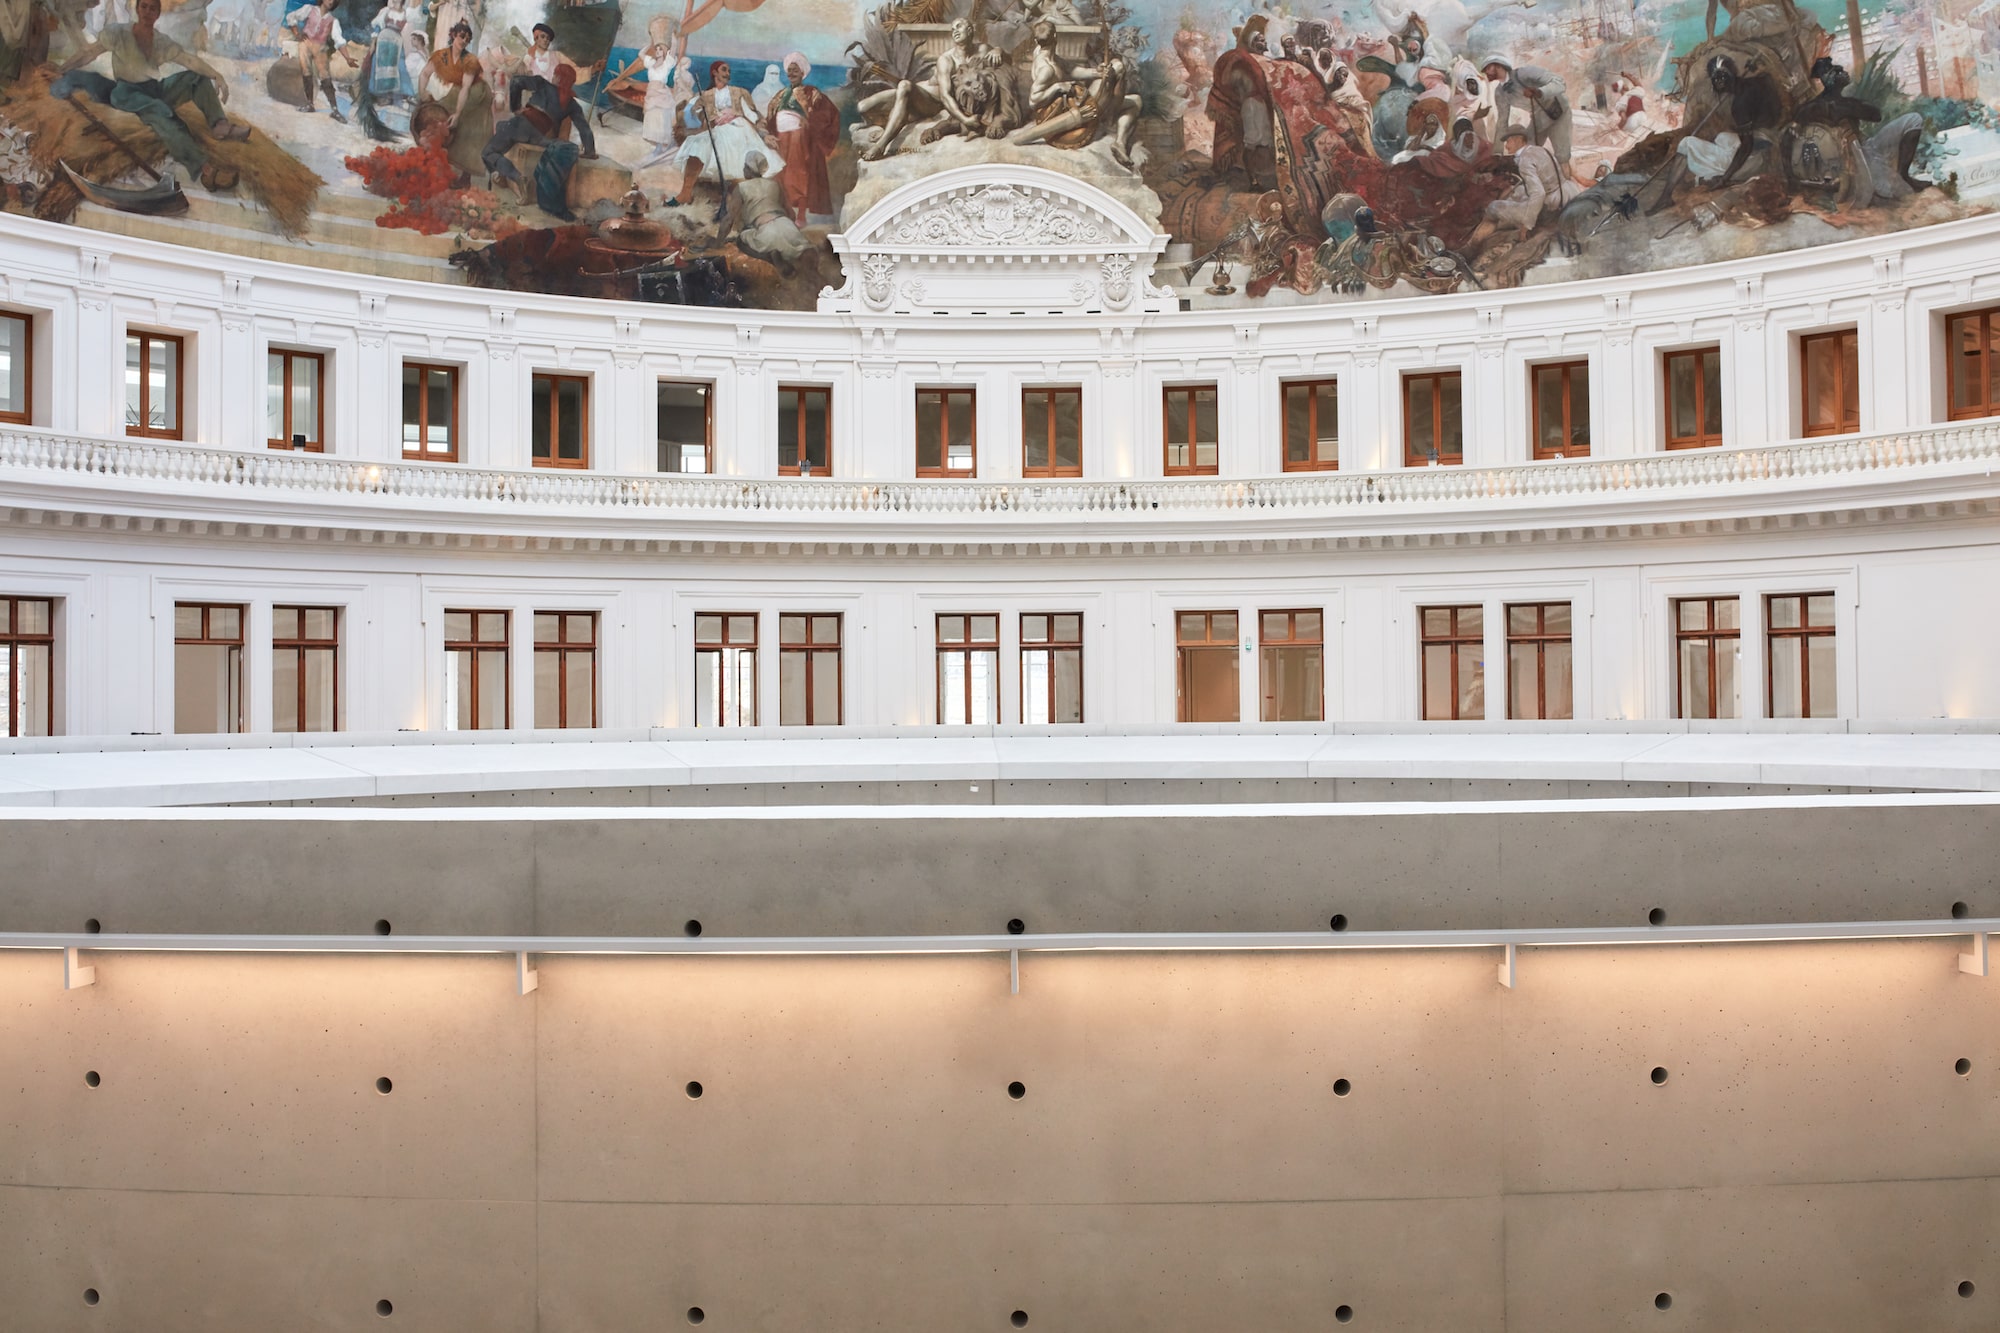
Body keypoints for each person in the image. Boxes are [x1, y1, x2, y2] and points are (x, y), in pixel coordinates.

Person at [54, 0, 250, 192]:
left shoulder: (160, 41)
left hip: (153, 89)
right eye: (144, 7)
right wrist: (62, 69)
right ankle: (204, 170)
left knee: (195, 79)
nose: (147, 12)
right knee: (162, 113)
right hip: (126, 92)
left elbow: (188, 60)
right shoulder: (119, 33)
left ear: (157, 14)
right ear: (137, 9)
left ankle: (219, 125)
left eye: (152, 8)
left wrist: (217, 75)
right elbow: (89, 52)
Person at [1009, 18, 1141, 165]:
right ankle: (1109, 119)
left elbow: (1071, 70)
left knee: (1136, 100)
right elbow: (1033, 101)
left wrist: (1096, 72)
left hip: (1072, 103)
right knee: (1118, 67)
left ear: (1036, 40)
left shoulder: (1041, 52)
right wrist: (1057, 87)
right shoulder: (1046, 68)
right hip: (1067, 114)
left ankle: (1119, 143)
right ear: (1055, 37)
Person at [856, 16, 979, 161]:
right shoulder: (946, 59)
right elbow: (946, 94)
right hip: (916, 92)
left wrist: (998, 51)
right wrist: (965, 120)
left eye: (958, 27)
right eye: (952, 29)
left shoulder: (981, 51)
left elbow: (944, 97)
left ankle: (880, 145)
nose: (954, 32)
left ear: (970, 30)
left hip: (930, 103)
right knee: (862, 107)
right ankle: (889, 124)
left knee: (904, 85)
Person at [483, 58, 595, 217]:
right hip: (540, 137)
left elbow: (516, 81)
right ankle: (500, 174)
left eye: (555, 75)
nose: (554, 78)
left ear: (556, 77)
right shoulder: (572, 104)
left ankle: (517, 178)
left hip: (522, 125)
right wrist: (590, 151)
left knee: (488, 152)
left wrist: (515, 108)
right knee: (502, 127)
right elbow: (584, 128)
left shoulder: (543, 84)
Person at [668, 59, 782, 206]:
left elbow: (754, 116)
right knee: (695, 144)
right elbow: (693, 118)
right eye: (724, 70)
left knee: (728, 149)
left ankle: (737, 201)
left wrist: (764, 134)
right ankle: (685, 194)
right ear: (714, 72)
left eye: (728, 71)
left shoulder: (739, 92)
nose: (727, 74)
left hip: (740, 129)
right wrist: (698, 112)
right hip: (715, 130)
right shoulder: (705, 95)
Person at [603, 14, 687, 169]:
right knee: (653, 120)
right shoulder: (650, 63)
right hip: (652, 93)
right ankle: (657, 148)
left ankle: (663, 146)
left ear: (665, 51)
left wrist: (674, 37)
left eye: (661, 49)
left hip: (661, 93)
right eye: (657, 49)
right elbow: (641, 54)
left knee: (662, 118)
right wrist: (651, 42)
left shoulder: (667, 64)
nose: (658, 50)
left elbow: (674, 50)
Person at [417, 19, 493, 180]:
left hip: (477, 93)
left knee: (466, 126)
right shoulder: (440, 55)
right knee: (439, 117)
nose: (464, 41)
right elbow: (424, 74)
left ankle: (465, 177)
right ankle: (432, 165)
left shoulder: (470, 60)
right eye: (462, 36)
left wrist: (458, 113)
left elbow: (467, 87)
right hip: (459, 91)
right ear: (453, 35)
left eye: (467, 39)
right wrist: (422, 92)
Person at [769, 52, 837, 225]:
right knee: (780, 174)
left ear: (802, 73)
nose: (791, 73)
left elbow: (827, 115)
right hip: (780, 137)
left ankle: (801, 215)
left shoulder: (811, 92)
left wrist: (805, 107)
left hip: (798, 138)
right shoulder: (780, 94)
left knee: (798, 174)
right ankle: (785, 212)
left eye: (795, 70)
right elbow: (770, 117)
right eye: (789, 70)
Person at [724, 149, 810, 267]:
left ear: (749, 169)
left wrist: (717, 242)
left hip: (765, 232)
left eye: (745, 166)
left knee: (740, 241)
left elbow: (729, 220)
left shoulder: (741, 187)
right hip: (787, 226)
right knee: (797, 248)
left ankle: (770, 257)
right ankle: (800, 256)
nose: (743, 170)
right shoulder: (774, 184)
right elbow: (791, 214)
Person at [1481, 56, 1569, 166]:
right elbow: (1502, 123)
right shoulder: (1499, 93)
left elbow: (1560, 83)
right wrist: (1497, 154)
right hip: (1538, 119)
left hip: (1558, 112)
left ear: (1498, 66)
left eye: (1487, 68)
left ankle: (1566, 180)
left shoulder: (1524, 73)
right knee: (1525, 152)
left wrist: (1540, 92)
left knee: (1563, 157)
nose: (1485, 72)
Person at [283, 0, 355, 122]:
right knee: (306, 72)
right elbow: (291, 17)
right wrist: (297, 34)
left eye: (334, 0)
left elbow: (339, 40)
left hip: (320, 47)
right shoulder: (309, 9)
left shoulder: (333, 20)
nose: (331, 1)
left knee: (325, 76)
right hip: (305, 43)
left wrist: (347, 58)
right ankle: (310, 104)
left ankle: (335, 110)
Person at [368, 0, 425, 103]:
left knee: (400, 66)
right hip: (383, 42)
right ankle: (380, 95)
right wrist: (373, 43)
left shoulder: (406, 13)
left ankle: (407, 94)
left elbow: (420, 13)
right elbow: (377, 27)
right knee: (379, 66)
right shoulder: (386, 11)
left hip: (396, 42)